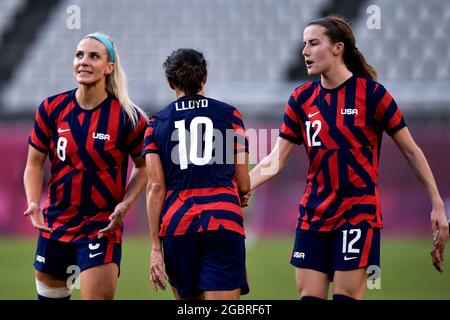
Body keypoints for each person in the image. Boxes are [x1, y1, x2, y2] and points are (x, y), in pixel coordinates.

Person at [245, 16, 449, 300]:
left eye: (314, 43)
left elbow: (411, 151)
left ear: (338, 48)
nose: (305, 51)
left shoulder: (373, 96)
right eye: (304, 44)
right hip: (313, 218)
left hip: (357, 218)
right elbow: (274, 160)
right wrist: (237, 189)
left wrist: (437, 205)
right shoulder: (300, 100)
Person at [23, 33, 148, 300]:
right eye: (79, 55)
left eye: (94, 56)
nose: (84, 61)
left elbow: (144, 166)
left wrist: (126, 203)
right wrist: (34, 202)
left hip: (101, 228)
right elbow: (34, 163)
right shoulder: (51, 108)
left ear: (109, 67)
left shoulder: (129, 117)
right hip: (55, 226)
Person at [143, 48, 250, 300]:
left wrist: (155, 247)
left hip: (178, 225)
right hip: (223, 220)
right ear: (205, 77)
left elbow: (155, 187)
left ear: (171, 83)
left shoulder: (156, 124)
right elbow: (243, 182)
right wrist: (240, 193)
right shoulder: (230, 115)